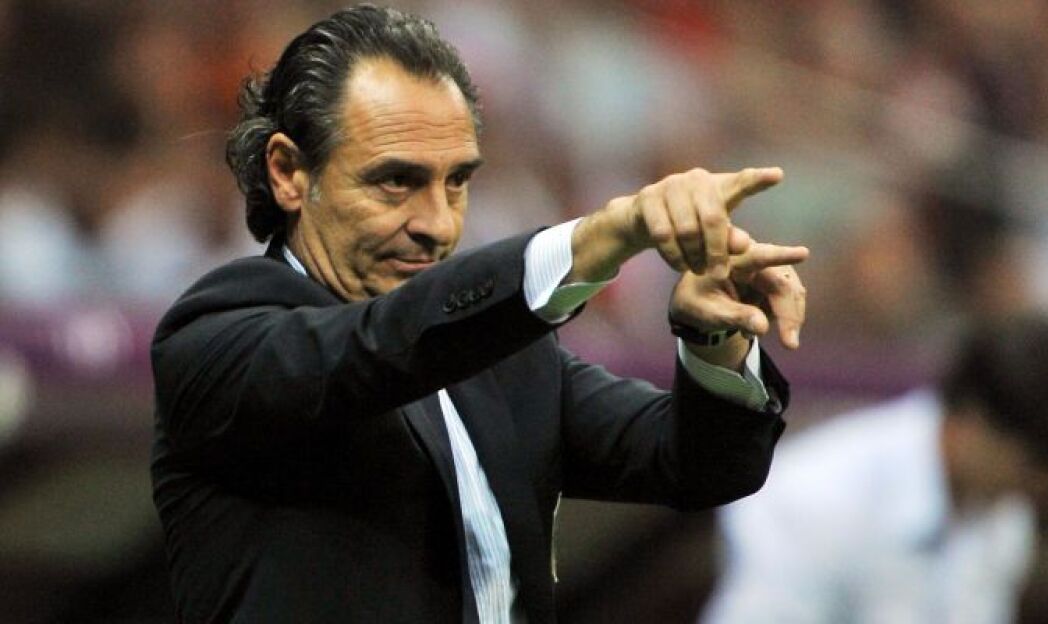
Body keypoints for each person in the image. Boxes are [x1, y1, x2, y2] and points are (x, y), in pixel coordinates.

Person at [150, 6, 808, 623]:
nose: (437, 225)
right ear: (289, 172)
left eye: (457, 181)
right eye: (396, 181)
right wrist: (605, 235)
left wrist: (716, 334)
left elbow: (701, 465)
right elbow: (377, 348)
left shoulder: (501, 358)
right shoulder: (216, 338)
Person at [702, 315, 1048, 624]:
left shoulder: (1004, 511)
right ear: (973, 425)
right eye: (1033, 464)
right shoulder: (811, 499)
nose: (1041, 484)